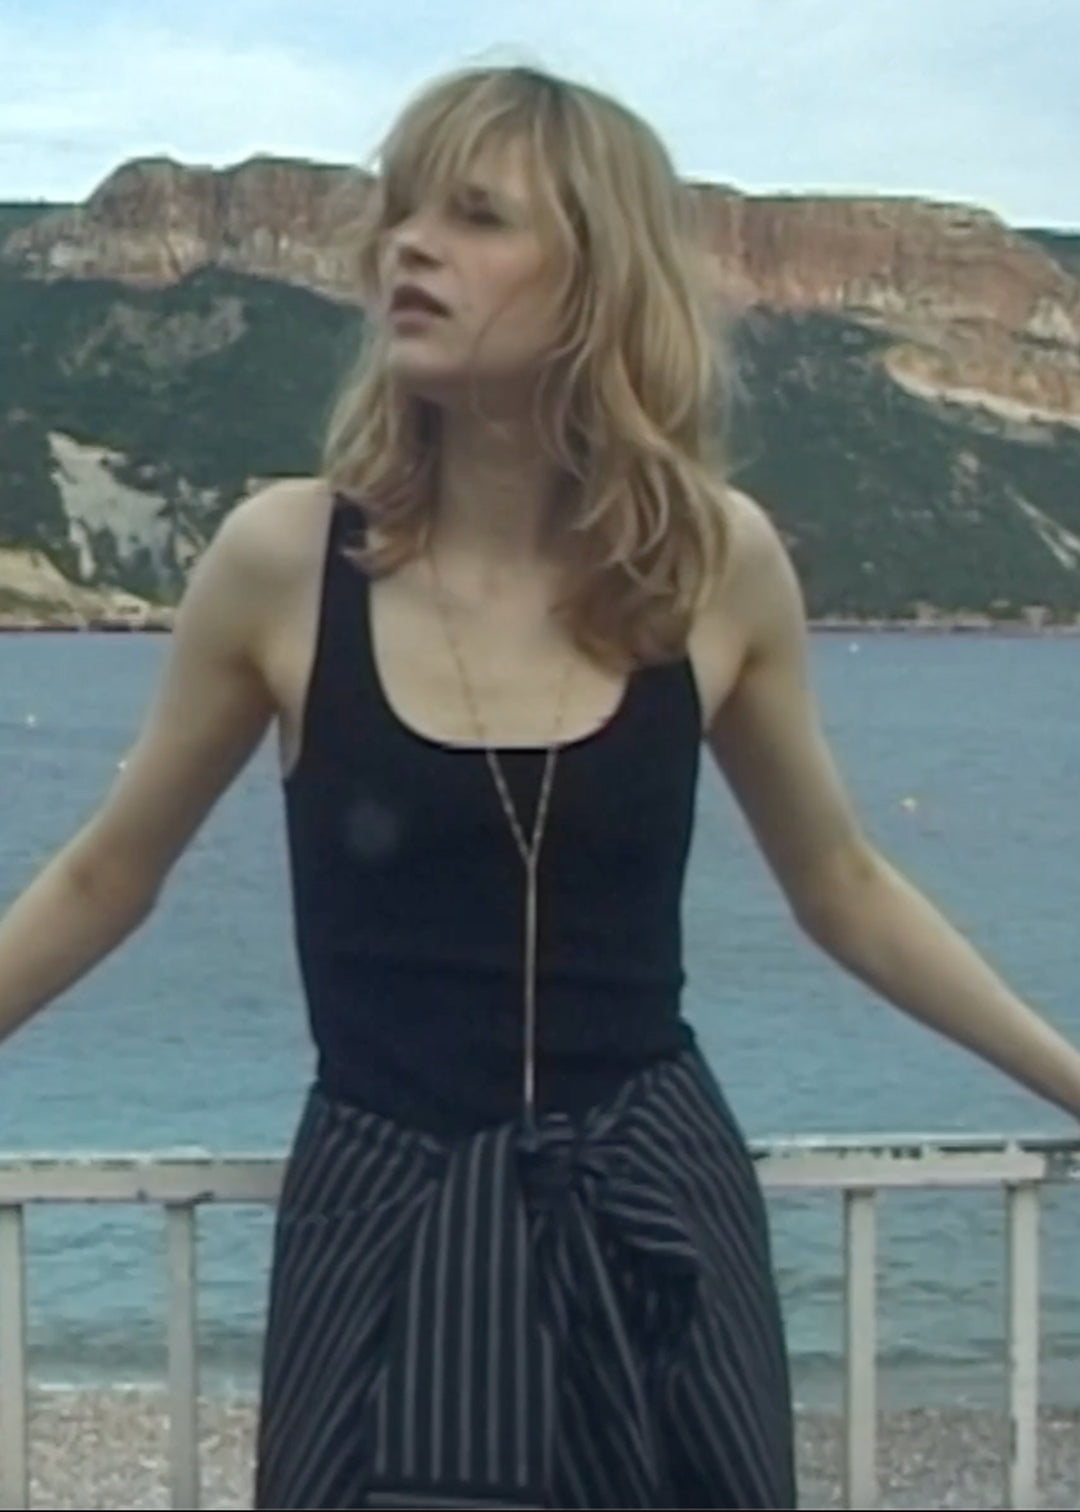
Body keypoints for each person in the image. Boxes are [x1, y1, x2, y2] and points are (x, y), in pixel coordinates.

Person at [1, 62, 1079, 1512]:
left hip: (653, 1219)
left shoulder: (715, 563)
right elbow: (104, 876)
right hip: (384, 1224)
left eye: (476, 215)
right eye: (400, 214)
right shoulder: (283, 561)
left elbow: (844, 886)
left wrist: (1070, 1078)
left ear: (598, 275)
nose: (409, 246)